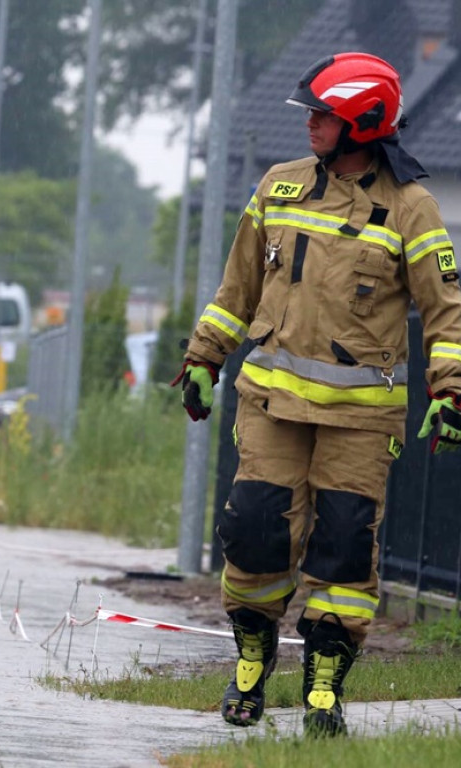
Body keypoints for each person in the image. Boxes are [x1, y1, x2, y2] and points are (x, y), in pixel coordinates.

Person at [172, 52, 461, 737]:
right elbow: (236, 288)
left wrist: (451, 390)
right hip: (271, 408)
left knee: (342, 553)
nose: (310, 126)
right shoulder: (278, 188)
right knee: (252, 533)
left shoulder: (411, 208)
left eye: (323, 116)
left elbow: (446, 309)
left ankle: (323, 687)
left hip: (359, 426)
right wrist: (202, 359)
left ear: (361, 123)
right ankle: (251, 659)